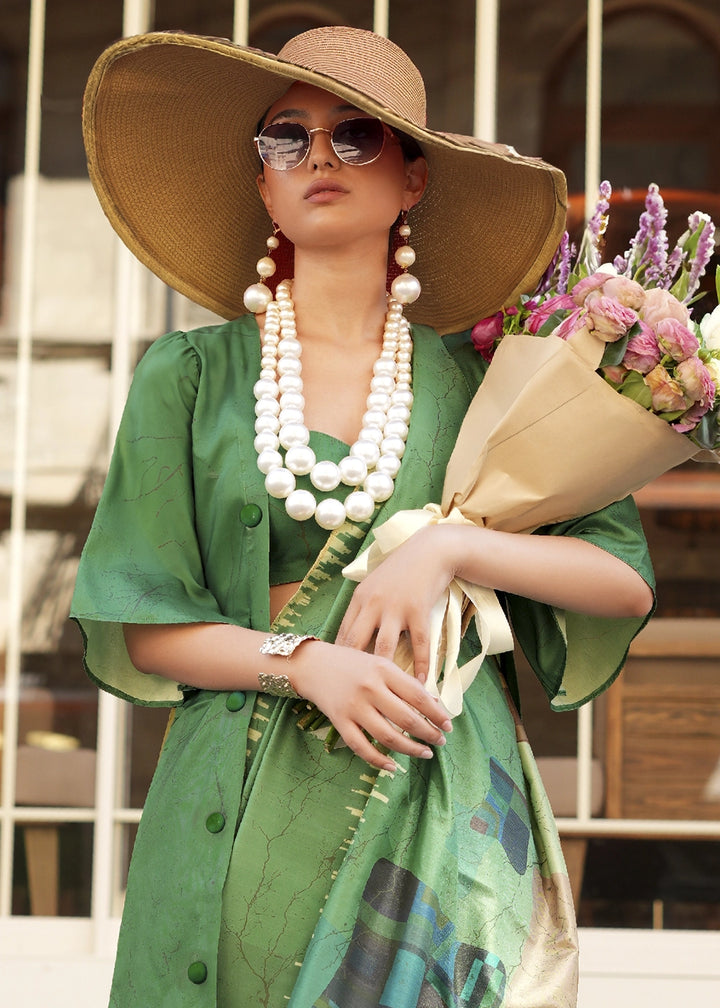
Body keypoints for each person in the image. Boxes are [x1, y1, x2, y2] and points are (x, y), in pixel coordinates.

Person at [71, 25, 655, 1008]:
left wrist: (447, 550)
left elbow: (622, 581)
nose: (317, 158)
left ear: (415, 177)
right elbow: (147, 625)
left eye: (356, 135)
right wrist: (306, 663)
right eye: (285, 138)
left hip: (427, 787)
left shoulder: (487, 384)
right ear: (261, 182)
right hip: (234, 800)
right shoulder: (190, 378)